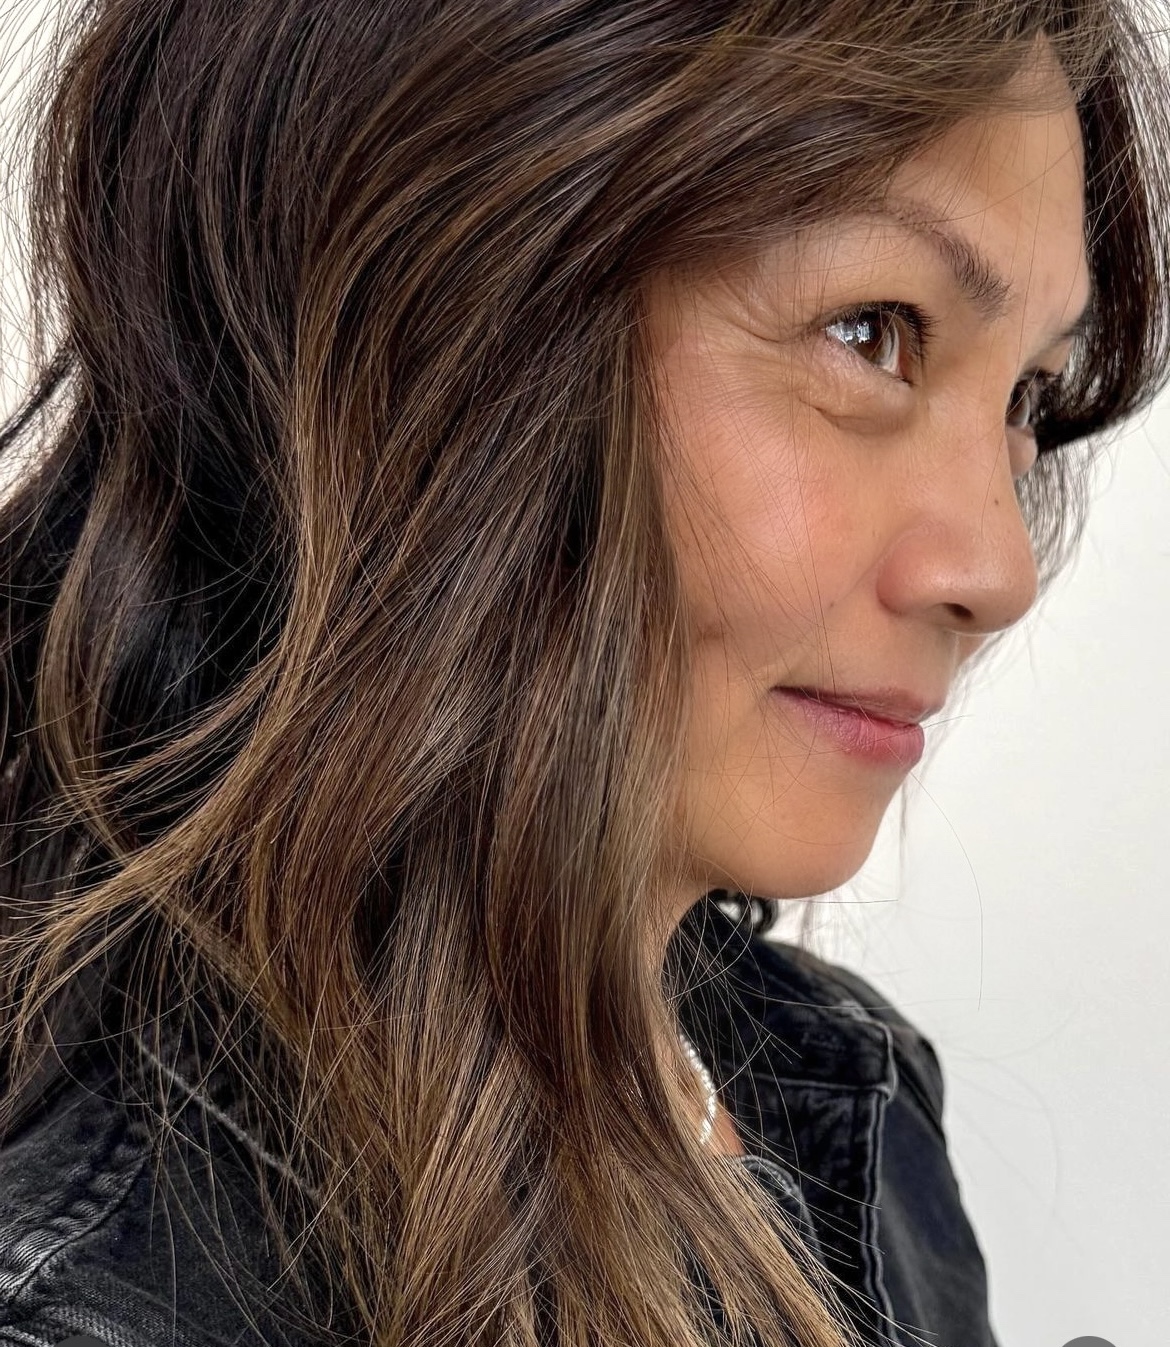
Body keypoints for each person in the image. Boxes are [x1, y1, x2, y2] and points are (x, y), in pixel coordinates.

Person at [0, 1, 1166, 1345]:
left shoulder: (836, 1099)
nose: (997, 568)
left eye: (1024, 398)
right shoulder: (99, 1311)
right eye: (871, 333)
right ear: (440, 338)